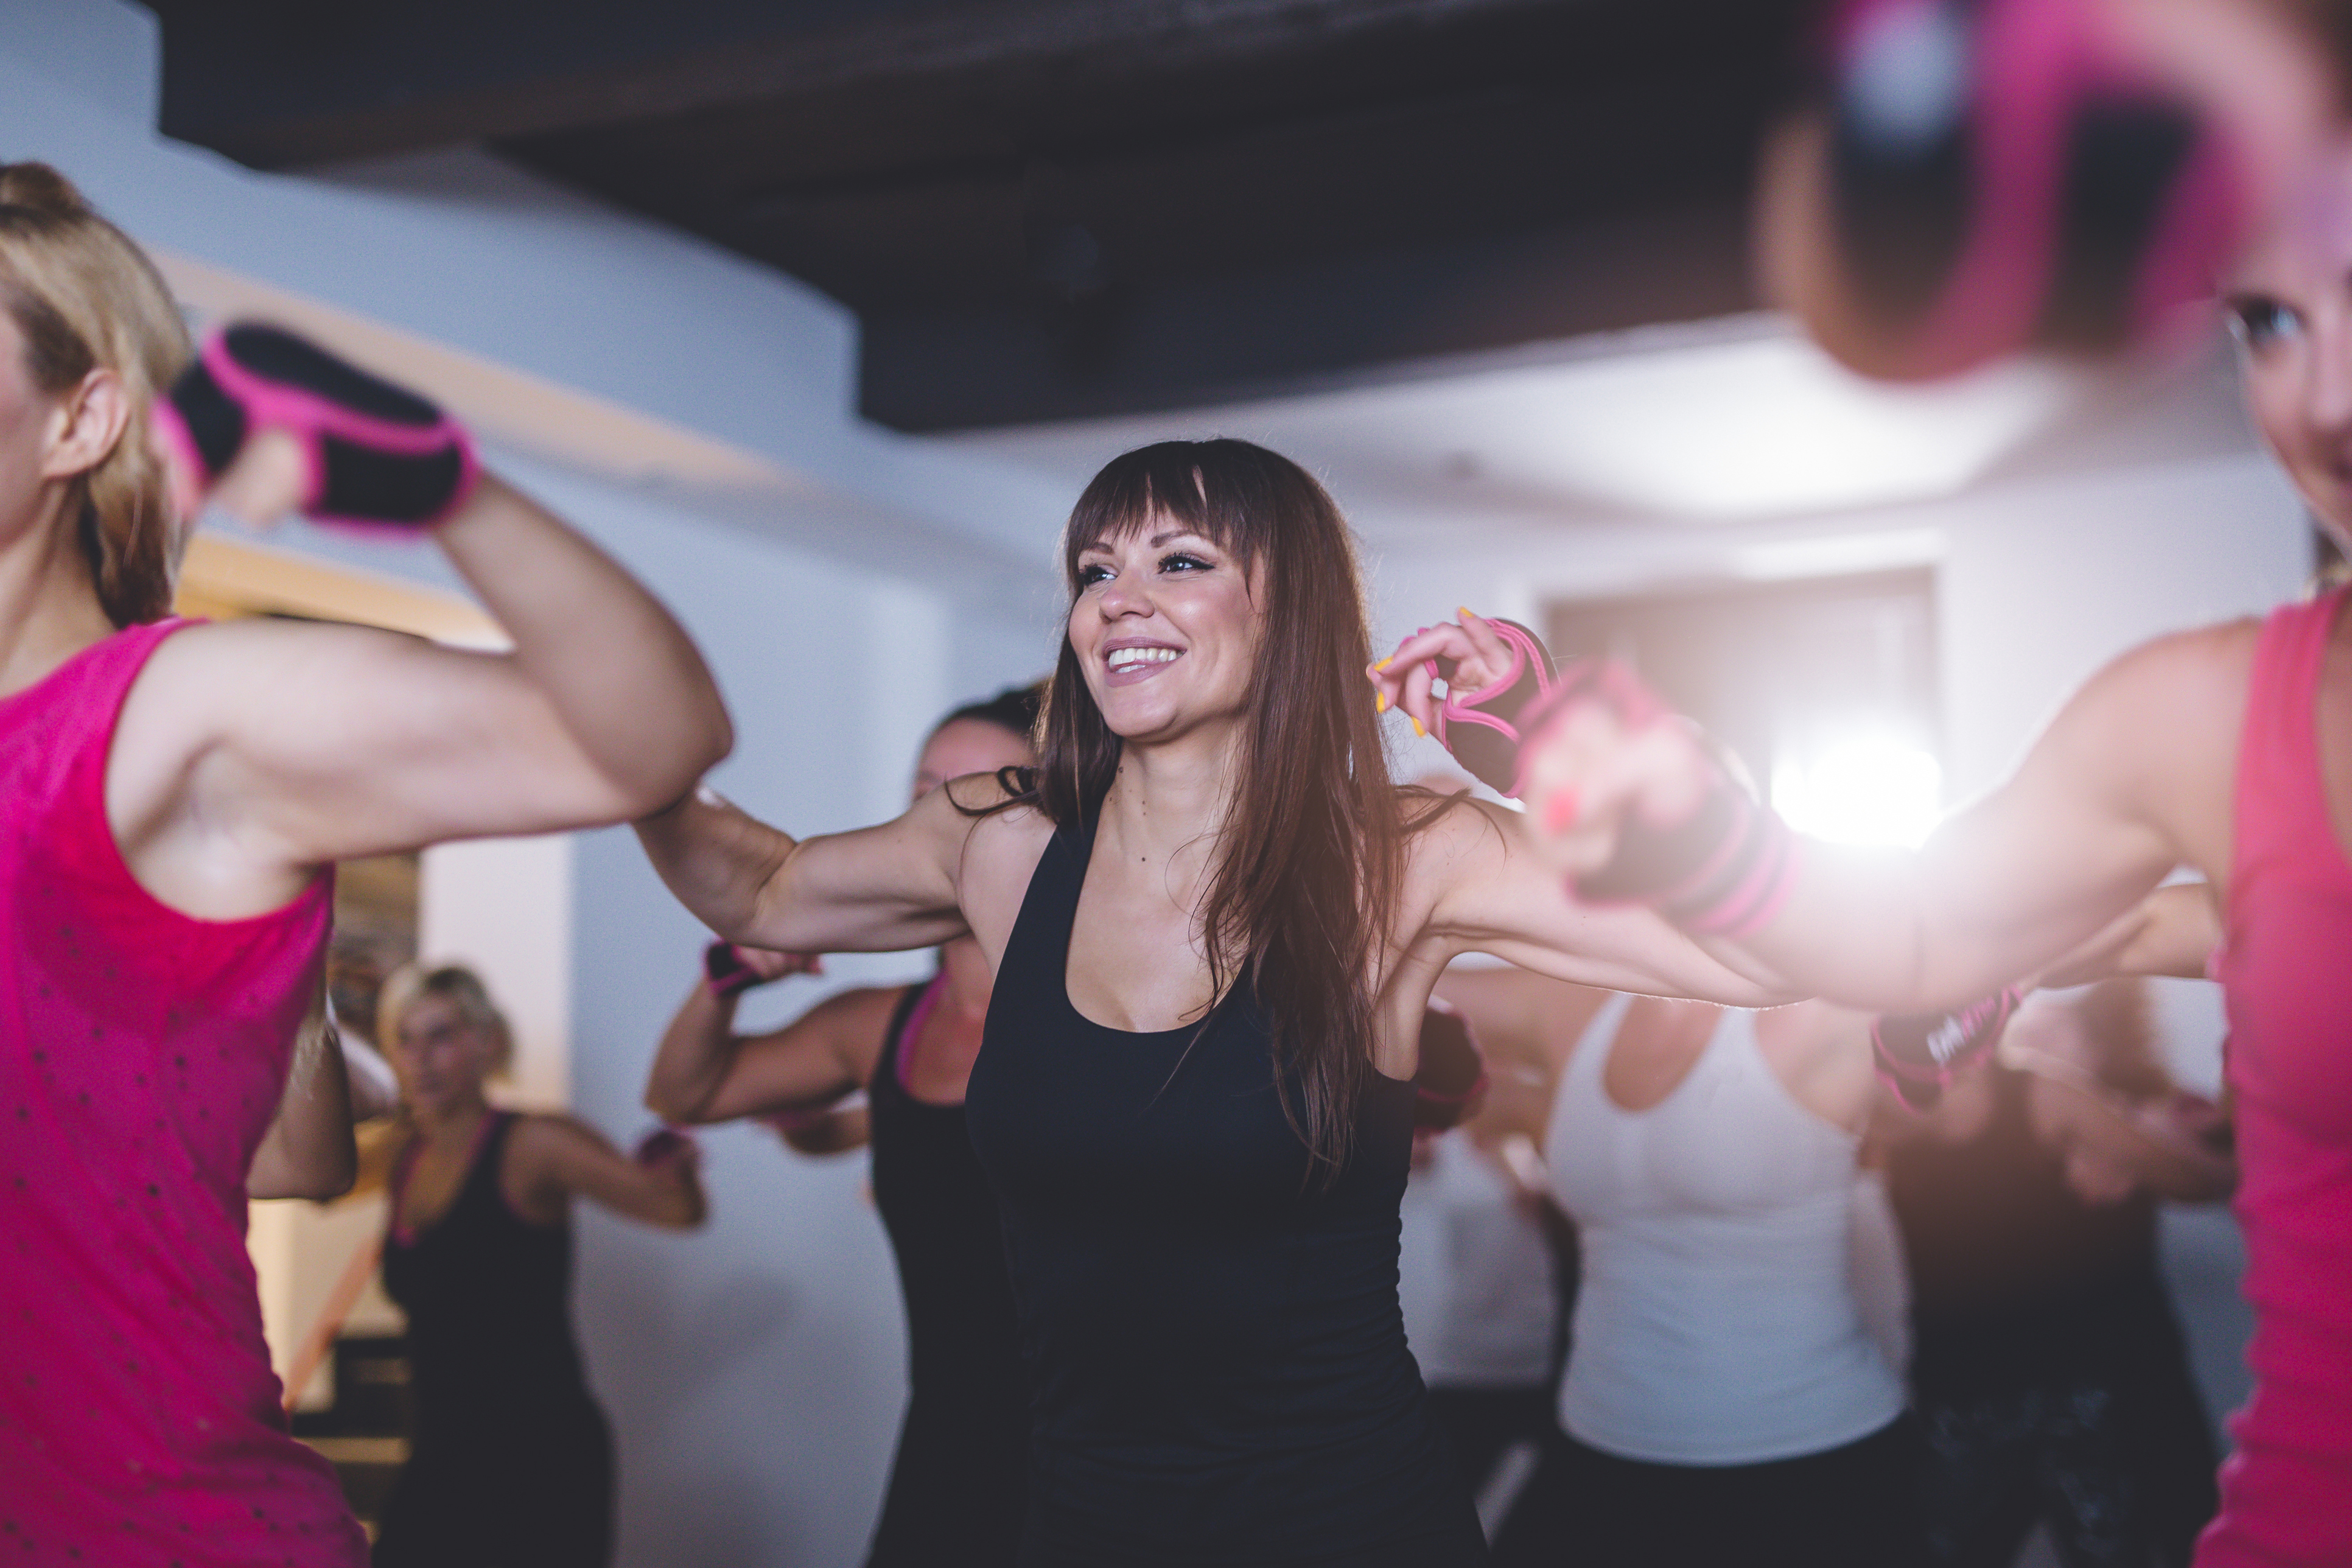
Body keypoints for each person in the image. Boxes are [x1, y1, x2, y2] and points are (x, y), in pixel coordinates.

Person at [1373, 144, 2352, 1568]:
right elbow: (1910, 934)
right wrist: (1557, 747)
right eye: (2268, 321)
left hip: (1842, 1439)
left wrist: (2055, 1080)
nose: (2324, 398)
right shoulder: (2194, 720)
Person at [634, 438, 1788, 1567]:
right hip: (1082, 1528)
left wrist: (1558, 752)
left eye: (1178, 562)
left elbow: (1761, 958)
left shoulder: (1403, 860)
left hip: (1350, 1530)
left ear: (1289, 610)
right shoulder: (1001, 846)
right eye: (1094, 571)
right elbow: (763, 887)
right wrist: (611, 740)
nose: (1117, 602)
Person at [0, 162, 730, 1567]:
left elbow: (651, 738)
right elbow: (294, 1155)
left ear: (80, 420)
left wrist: (441, 487)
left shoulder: (174, 717)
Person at [644, 686, 1041, 1568]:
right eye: (924, 790)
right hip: (947, 1449)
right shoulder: (877, 1028)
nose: (942, 815)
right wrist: (727, 980)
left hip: (1118, 1456)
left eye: (978, 793)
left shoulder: (1112, 1012)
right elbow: (686, 1092)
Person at [1891, 976, 2235, 1568]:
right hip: (1965, 1407)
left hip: (2100, 1398)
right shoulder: (1898, 1120)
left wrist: (2135, 1131)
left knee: (2179, 1533)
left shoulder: (2056, 1097)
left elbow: (2206, 1178)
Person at [368, 964, 705, 1568]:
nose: (421, 1058)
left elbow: (675, 1209)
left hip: (540, 1456)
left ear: (486, 1040)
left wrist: (674, 1163)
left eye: (440, 1034)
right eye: (405, 1038)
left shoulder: (531, 1144)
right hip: (442, 1457)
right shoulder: (405, 1161)